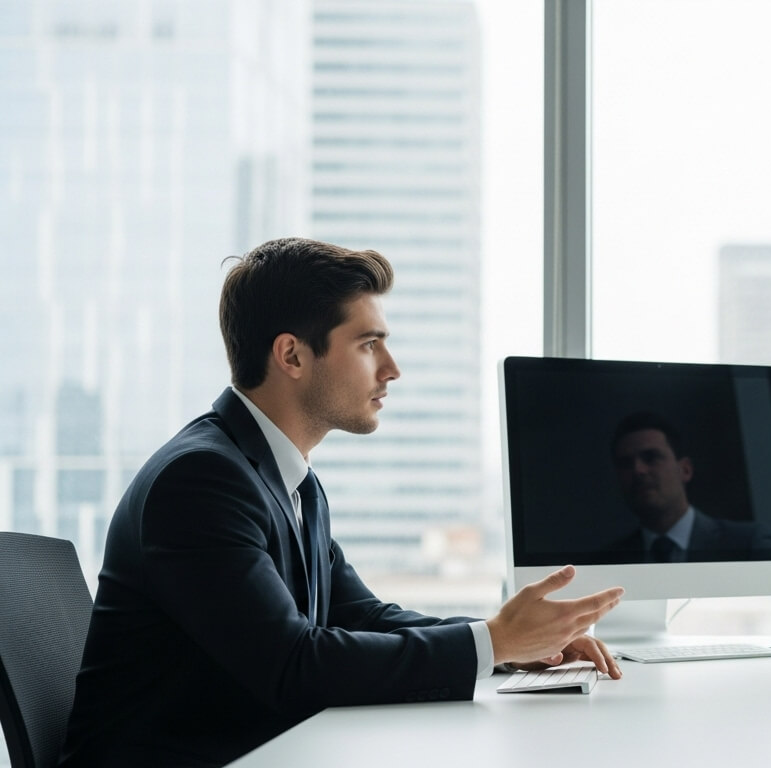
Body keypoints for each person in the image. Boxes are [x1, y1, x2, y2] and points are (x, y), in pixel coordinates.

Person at [60, 238, 624, 767]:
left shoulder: (285, 477)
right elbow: (293, 666)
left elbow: (361, 617)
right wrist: (493, 640)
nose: (391, 368)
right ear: (292, 356)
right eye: (368, 343)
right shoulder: (202, 480)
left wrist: (508, 643)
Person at [608, 411, 771, 562]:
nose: (638, 470)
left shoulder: (750, 544)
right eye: (625, 463)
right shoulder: (610, 560)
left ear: (685, 470)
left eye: (651, 457)